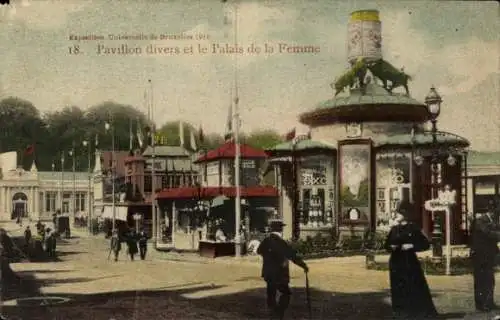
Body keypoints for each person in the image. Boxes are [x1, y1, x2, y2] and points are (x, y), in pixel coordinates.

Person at [384, 200, 437, 319]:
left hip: (409, 262)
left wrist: (412, 245)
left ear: (405, 214)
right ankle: (400, 313)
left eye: (399, 213)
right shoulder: (394, 229)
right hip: (396, 262)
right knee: (397, 288)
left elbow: (425, 244)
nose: (396, 215)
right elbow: (386, 245)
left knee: (412, 287)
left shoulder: (413, 228)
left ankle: (416, 312)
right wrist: (391, 247)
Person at [257, 221, 309, 320]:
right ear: (280, 229)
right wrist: (303, 265)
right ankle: (278, 312)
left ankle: (272, 313)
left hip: (268, 273)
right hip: (280, 273)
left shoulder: (266, 241)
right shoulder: (281, 242)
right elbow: (292, 256)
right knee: (286, 293)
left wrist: (267, 257)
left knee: (271, 294)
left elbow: (259, 250)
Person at [470, 199, 500, 312]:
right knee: (481, 280)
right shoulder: (480, 220)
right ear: (491, 210)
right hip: (480, 255)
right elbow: (489, 233)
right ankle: (481, 304)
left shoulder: (493, 220)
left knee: (490, 279)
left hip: (489, 254)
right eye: (496, 211)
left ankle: (489, 302)